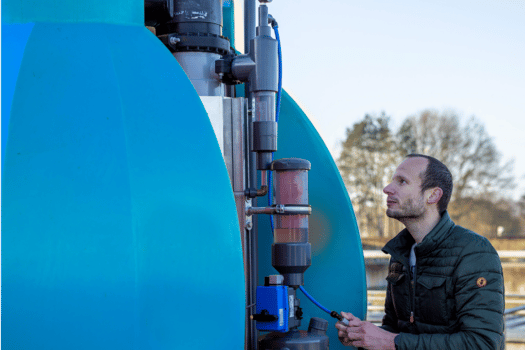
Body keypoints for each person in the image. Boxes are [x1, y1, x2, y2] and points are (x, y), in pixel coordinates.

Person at [336, 154, 505, 350]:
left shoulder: (474, 253)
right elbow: (395, 330)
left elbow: (482, 343)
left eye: (402, 181)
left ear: (433, 196)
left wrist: (389, 342)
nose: (387, 189)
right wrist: (363, 337)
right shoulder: (400, 253)